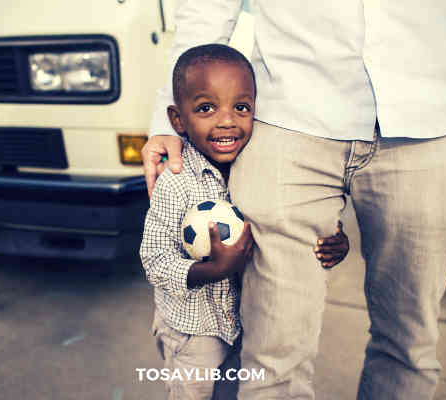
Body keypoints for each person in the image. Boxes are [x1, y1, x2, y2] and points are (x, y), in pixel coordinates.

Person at [143, 1, 446, 399]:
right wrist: (170, 115)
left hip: (431, 118)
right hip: (288, 115)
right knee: (272, 351)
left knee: (409, 344)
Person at [139, 43, 350, 400]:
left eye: (241, 108)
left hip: (245, 323)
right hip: (194, 334)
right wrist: (212, 270)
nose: (226, 120)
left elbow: (291, 217)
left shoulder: (258, 168)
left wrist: (336, 240)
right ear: (178, 120)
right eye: (206, 108)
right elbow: (154, 260)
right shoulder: (175, 181)